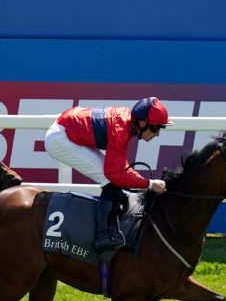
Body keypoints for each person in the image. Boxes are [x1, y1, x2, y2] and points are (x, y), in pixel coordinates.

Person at [44, 97, 173, 250]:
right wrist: (149, 184)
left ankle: (110, 229)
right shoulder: (122, 130)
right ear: (143, 123)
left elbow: (120, 164)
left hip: (68, 128)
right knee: (110, 180)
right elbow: (114, 174)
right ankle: (102, 236)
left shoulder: (127, 124)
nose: (157, 134)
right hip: (60, 138)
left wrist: (138, 178)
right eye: (155, 128)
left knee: (116, 179)